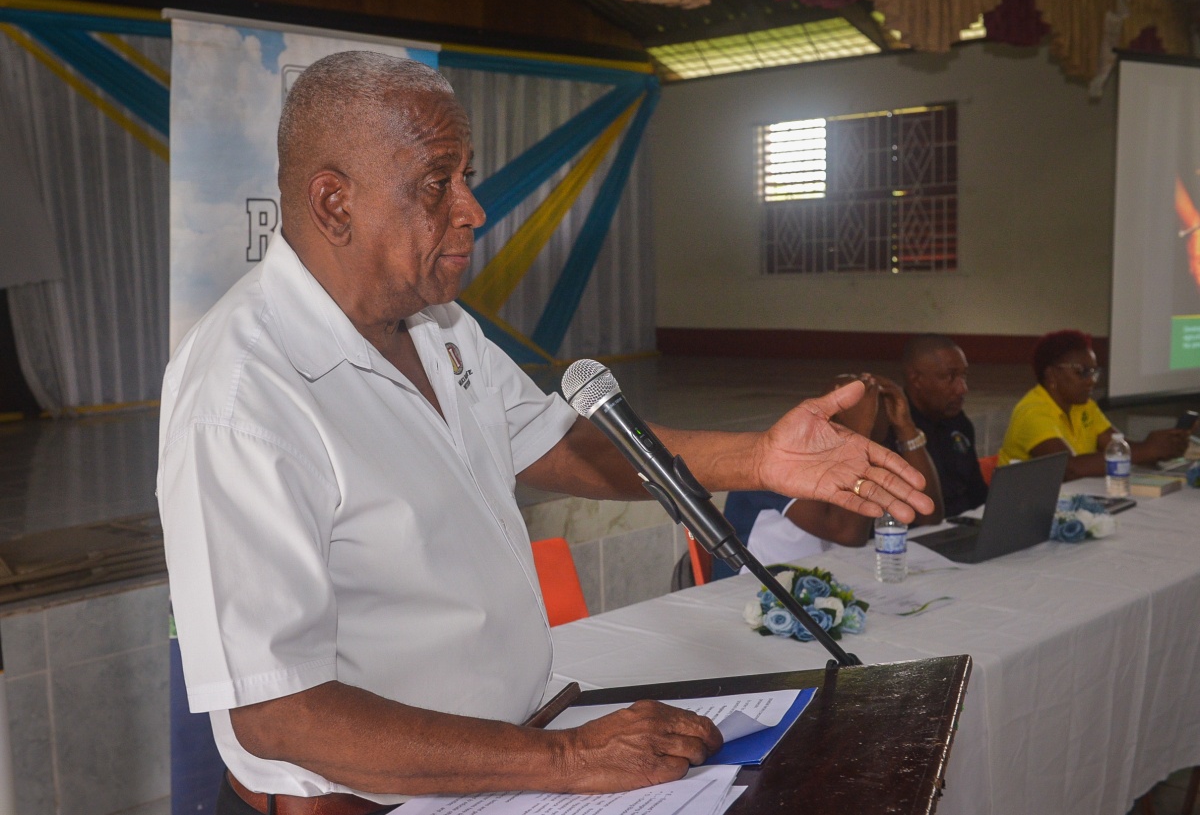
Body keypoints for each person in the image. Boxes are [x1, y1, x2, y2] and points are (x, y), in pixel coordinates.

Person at [157, 51, 934, 814]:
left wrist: (759, 458)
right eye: (438, 183)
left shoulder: (442, 326)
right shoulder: (241, 393)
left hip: (503, 762)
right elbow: (279, 711)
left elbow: (561, 443)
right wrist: (567, 759)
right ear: (335, 203)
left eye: (466, 174)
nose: (473, 208)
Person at [719, 373, 944, 577]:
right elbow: (847, 534)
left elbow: (929, 519)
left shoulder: (874, 458)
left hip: (818, 585)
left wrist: (906, 426)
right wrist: (860, 430)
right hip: (749, 595)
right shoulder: (783, 457)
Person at [996, 329, 1190, 479]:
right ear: (1051, 375)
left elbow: (1116, 446)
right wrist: (1148, 450)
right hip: (1024, 507)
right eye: (1082, 372)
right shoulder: (1033, 412)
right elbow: (1069, 469)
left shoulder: (1084, 405)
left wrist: (1162, 448)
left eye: (1094, 372)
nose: (1092, 381)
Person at [902, 334, 989, 517]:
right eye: (950, 377)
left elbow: (979, 495)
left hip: (964, 528)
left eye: (963, 376)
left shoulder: (959, 423)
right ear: (916, 380)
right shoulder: (893, 429)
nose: (962, 388)